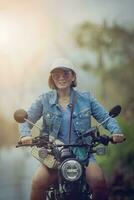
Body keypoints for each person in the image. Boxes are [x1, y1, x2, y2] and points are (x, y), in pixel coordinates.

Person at [19, 58, 124, 200]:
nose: (61, 77)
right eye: (57, 74)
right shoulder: (43, 100)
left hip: (83, 154)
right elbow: (26, 119)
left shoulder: (86, 98)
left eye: (66, 74)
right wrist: (25, 135)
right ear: (52, 78)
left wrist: (116, 131)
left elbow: (106, 117)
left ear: (73, 76)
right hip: (54, 155)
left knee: (99, 182)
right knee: (38, 182)